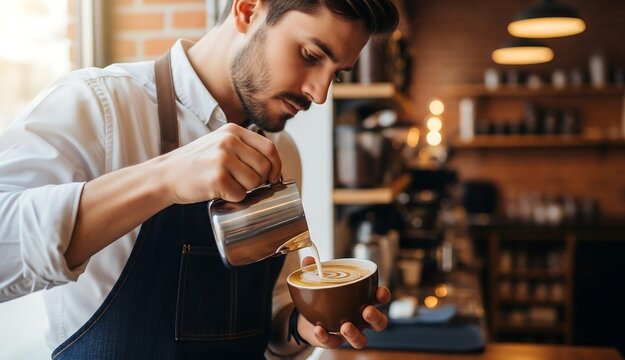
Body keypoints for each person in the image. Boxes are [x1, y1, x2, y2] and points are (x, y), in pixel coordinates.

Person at [0, 0, 399, 358]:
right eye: (311, 54)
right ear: (247, 10)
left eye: (337, 74)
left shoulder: (282, 154)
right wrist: (165, 178)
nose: (320, 93)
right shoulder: (100, 105)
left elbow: (272, 317)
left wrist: (302, 328)